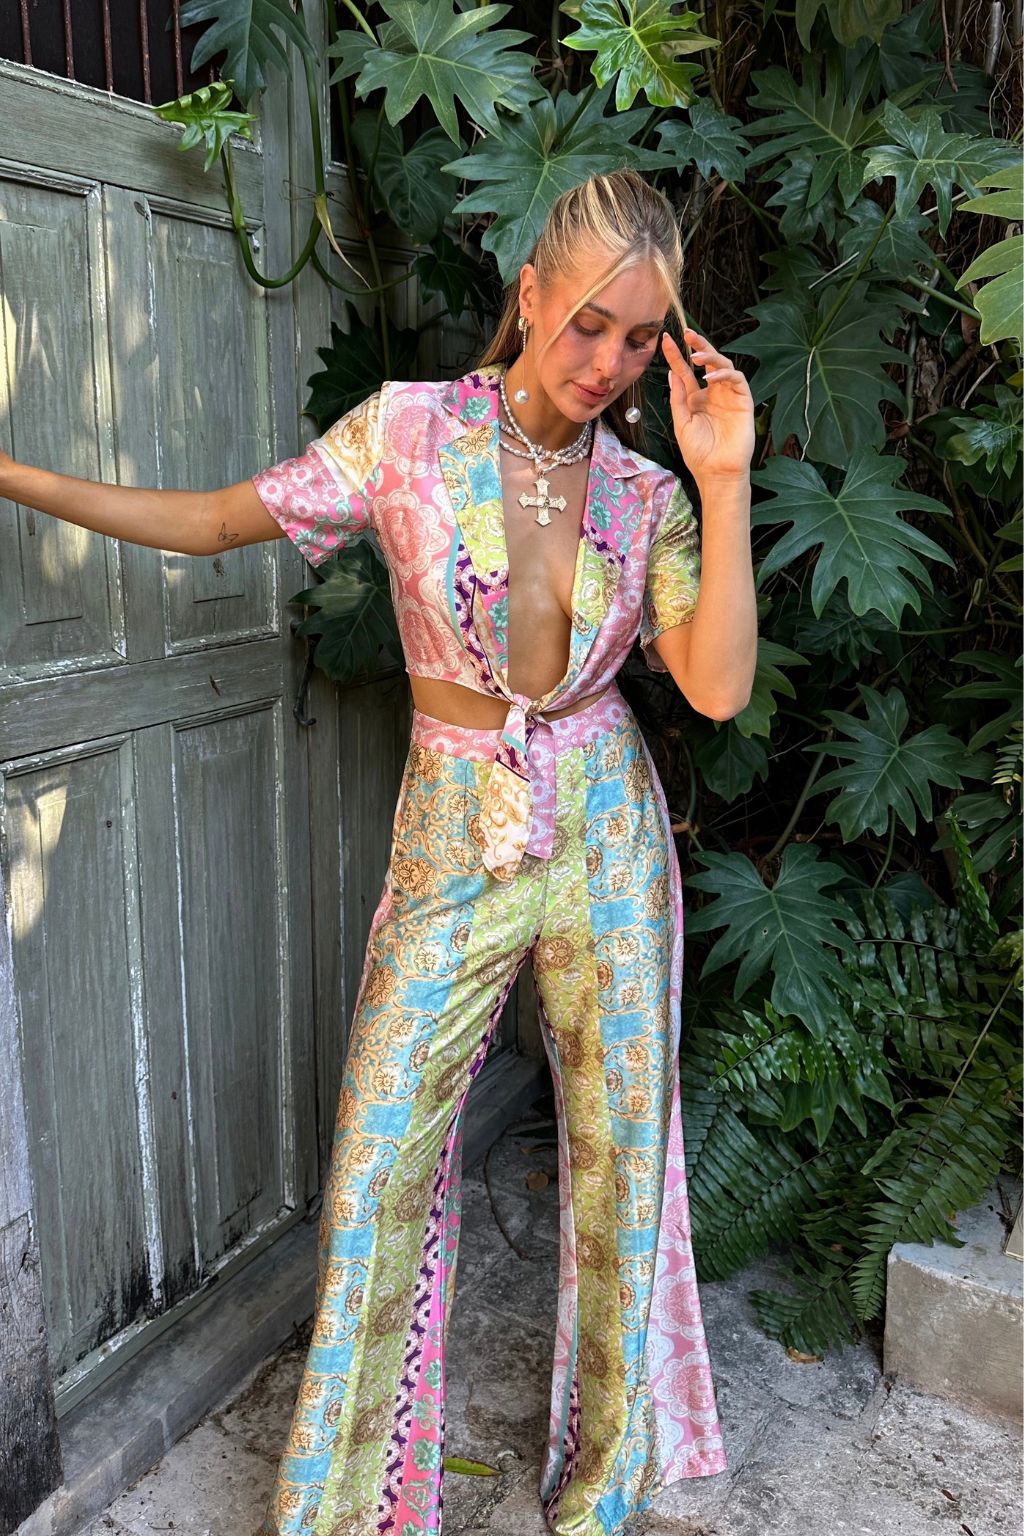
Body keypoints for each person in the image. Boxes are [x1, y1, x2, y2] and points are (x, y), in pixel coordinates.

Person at [0, 168, 756, 1535]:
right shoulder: (408, 434)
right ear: (530, 294)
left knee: (620, 1161)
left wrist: (725, 476)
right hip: (454, 826)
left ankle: (602, 1486)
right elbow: (216, 519)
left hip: (604, 829)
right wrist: (11, 474)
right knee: (381, 1156)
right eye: (588, 323)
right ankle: (352, 1507)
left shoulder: (648, 493)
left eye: (641, 338)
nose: (607, 362)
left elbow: (713, 686)